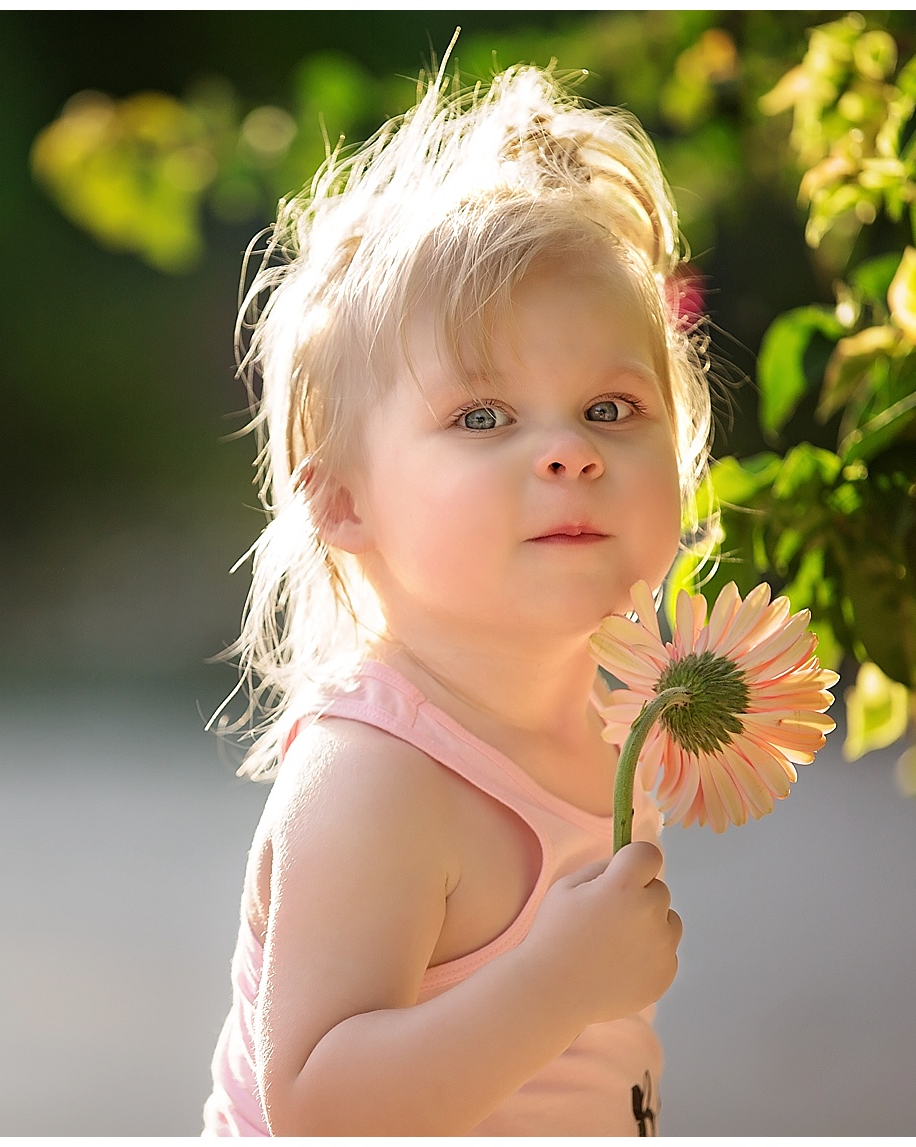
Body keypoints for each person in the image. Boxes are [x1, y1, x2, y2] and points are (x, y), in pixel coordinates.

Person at [201, 59, 712, 1136]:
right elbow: (317, 1105)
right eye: (483, 418)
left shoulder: (609, 715)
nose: (569, 450)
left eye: (611, 407)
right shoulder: (378, 778)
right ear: (342, 500)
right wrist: (558, 983)